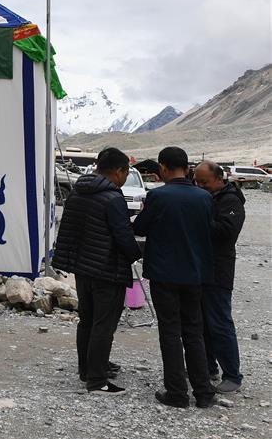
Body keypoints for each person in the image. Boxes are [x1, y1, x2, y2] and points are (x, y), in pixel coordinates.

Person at [52, 147, 142, 395]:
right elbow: (123, 235)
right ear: (118, 171)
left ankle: (88, 369)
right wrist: (136, 254)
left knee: (88, 321)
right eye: (126, 173)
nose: (125, 178)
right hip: (107, 270)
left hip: (82, 268)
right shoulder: (113, 198)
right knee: (104, 325)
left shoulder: (78, 192)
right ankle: (97, 380)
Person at [133, 146, 215, 408]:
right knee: (194, 331)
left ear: (163, 168)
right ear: (187, 167)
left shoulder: (158, 196)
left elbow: (139, 227)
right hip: (195, 274)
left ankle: (177, 392)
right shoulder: (205, 197)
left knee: (170, 331)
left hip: (164, 273)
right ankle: (204, 392)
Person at [194, 160, 245, 393]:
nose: (200, 186)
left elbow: (226, 231)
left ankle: (232, 375)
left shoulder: (231, 201)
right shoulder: (209, 197)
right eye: (197, 182)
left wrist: (198, 220)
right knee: (202, 322)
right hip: (200, 269)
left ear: (218, 178)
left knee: (220, 323)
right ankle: (207, 367)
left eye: (204, 182)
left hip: (218, 271)